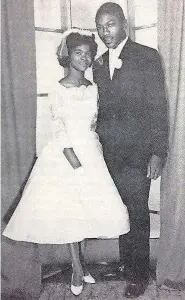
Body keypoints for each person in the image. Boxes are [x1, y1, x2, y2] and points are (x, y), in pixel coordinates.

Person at [3, 28, 130, 296]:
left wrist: (94, 154)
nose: (83, 58)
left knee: (84, 211)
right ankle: (75, 267)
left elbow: (94, 124)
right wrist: (74, 162)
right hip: (66, 155)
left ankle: (82, 265)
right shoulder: (58, 89)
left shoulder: (93, 88)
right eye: (78, 53)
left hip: (91, 152)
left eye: (87, 54)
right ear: (67, 56)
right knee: (71, 210)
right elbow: (59, 128)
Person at [93, 2, 168, 298]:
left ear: (124, 23)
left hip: (138, 153)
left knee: (137, 212)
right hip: (108, 153)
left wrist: (158, 152)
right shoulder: (97, 62)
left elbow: (158, 107)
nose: (104, 31)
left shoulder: (147, 57)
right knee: (119, 209)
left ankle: (138, 275)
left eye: (109, 24)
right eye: (99, 27)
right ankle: (127, 265)